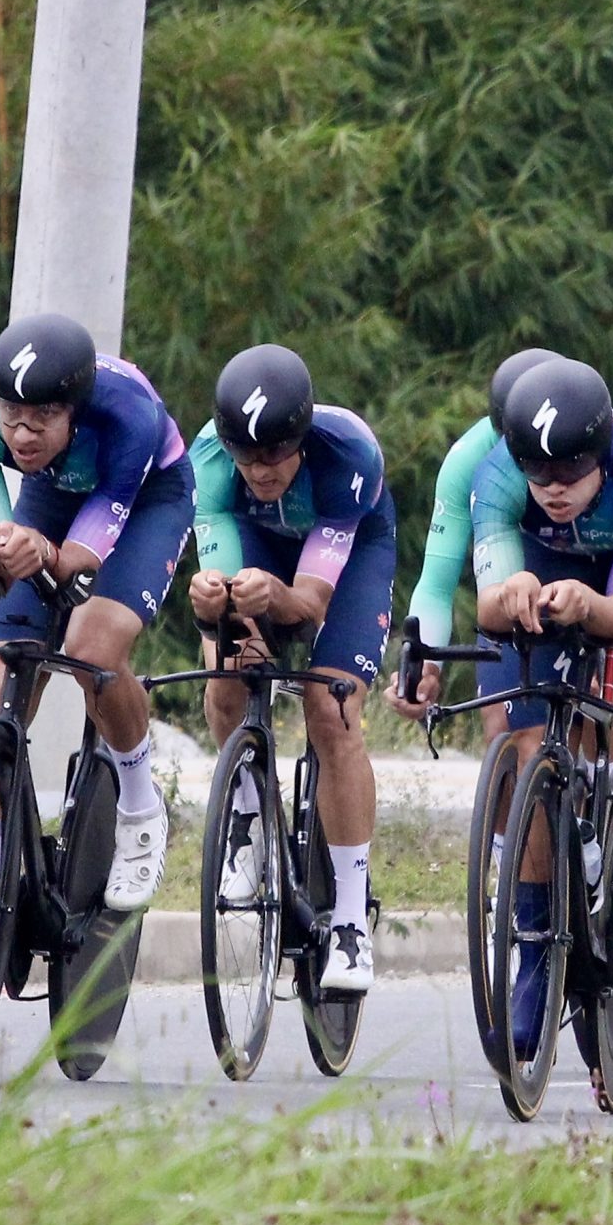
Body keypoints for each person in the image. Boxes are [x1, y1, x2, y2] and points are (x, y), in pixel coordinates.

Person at [0, 312, 195, 985]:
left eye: (40, 420)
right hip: (54, 496)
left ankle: (142, 806)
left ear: (74, 412)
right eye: (11, 418)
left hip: (144, 497)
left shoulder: (127, 415)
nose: (21, 434)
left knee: (93, 645)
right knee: (4, 687)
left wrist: (47, 554)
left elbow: (81, 559)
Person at [470, 356, 613, 1048]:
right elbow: (485, 602)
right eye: (540, 474)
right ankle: (536, 947)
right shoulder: (501, 475)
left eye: (569, 473)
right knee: (526, 743)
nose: (554, 488)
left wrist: (593, 604)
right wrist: (512, 591)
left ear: (600, 455)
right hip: (548, 565)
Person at [186, 344, 398, 993]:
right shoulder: (210, 463)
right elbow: (218, 578)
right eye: (246, 456)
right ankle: (249, 819)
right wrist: (215, 605)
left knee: (331, 712)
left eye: (275, 454)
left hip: (345, 557)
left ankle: (351, 920)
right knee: (226, 666)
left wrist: (273, 600)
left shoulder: (347, 456)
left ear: (301, 439)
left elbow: (308, 606)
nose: (260, 469)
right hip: (258, 549)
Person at [390, 346, 564, 726]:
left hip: (584, 567)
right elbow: (436, 584)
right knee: (503, 730)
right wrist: (427, 665)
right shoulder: (467, 461)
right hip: (511, 573)